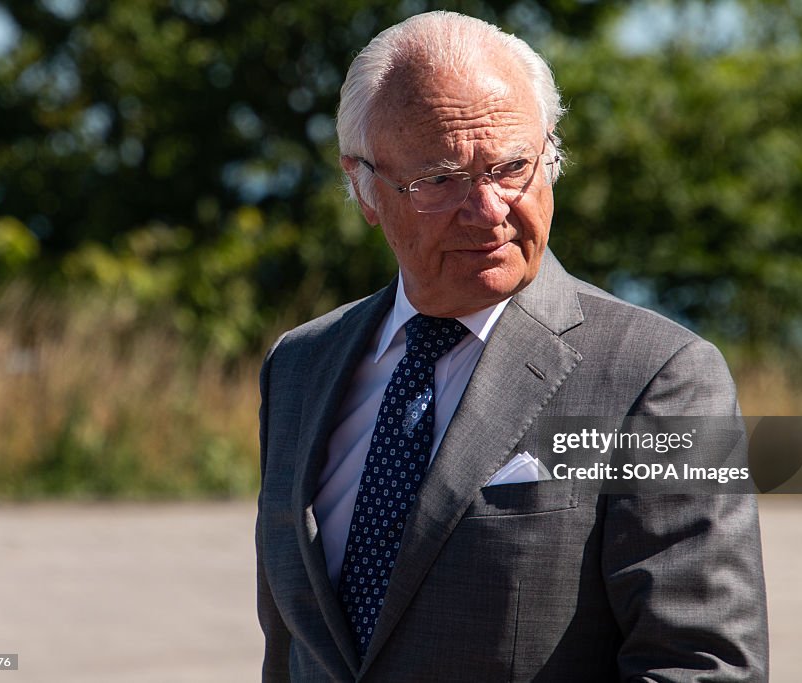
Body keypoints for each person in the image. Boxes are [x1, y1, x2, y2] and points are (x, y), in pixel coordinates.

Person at [256, 10, 768, 682]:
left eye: (512, 167)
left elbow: (702, 665)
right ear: (364, 188)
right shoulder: (299, 365)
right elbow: (292, 650)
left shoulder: (660, 377)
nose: (490, 208)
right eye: (440, 180)